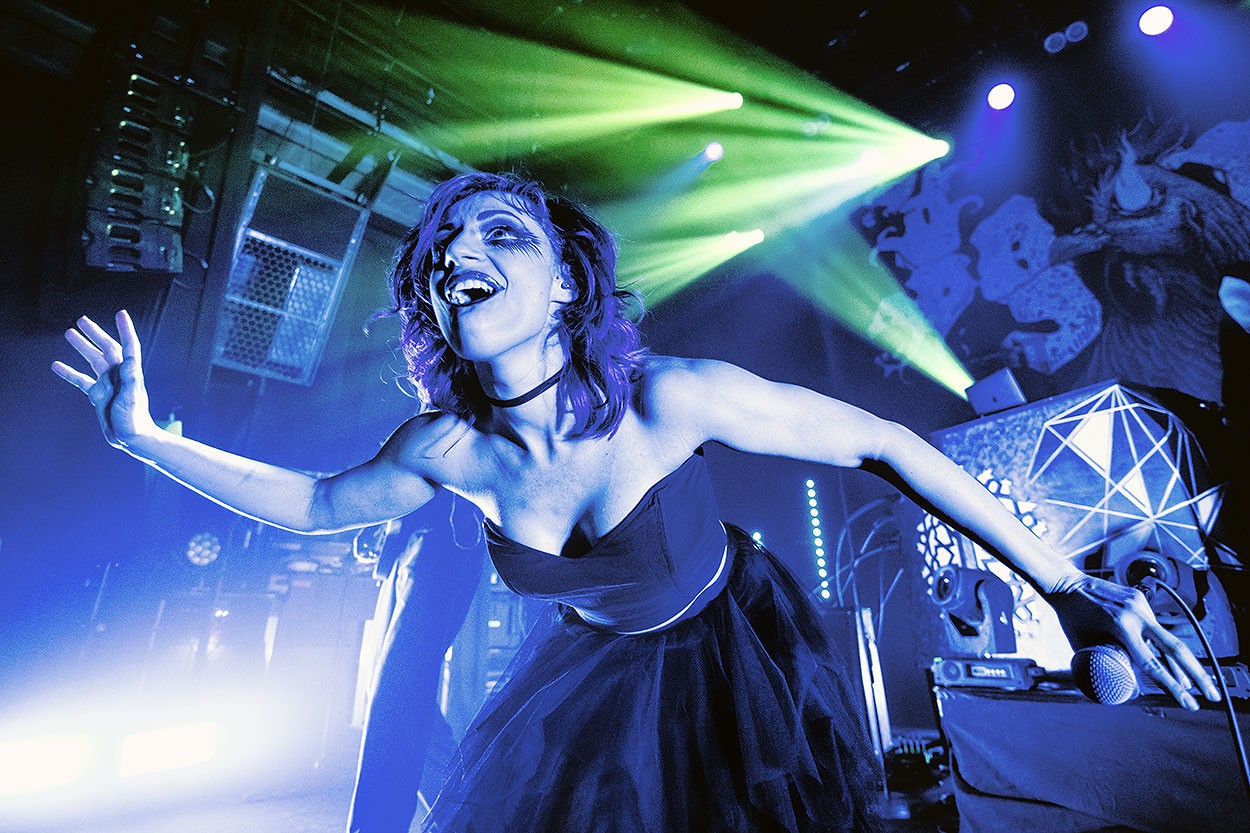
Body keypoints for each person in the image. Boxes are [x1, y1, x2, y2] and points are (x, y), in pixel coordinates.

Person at [53, 171, 1221, 832]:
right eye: (442, 246)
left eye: (498, 233)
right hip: (591, 673)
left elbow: (886, 444)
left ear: (567, 284)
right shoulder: (445, 449)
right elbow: (316, 505)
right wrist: (145, 438)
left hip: (733, 649)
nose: (456, 250)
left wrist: (1065, 585)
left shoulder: (671, 395)